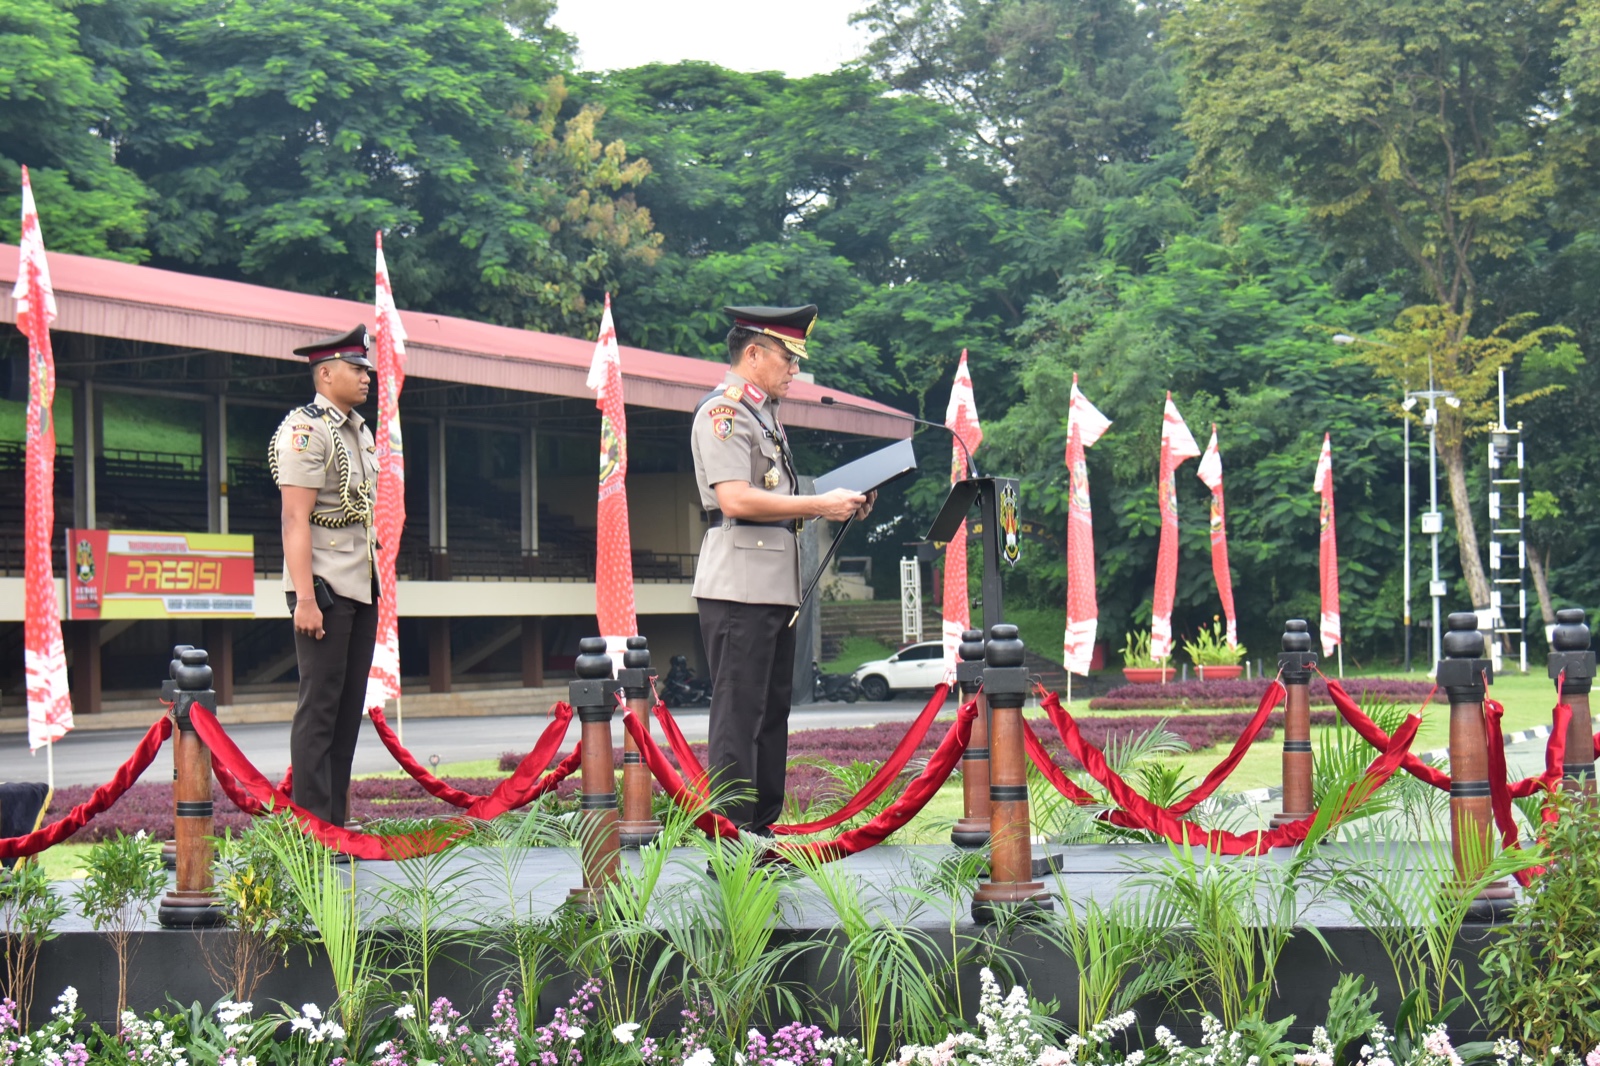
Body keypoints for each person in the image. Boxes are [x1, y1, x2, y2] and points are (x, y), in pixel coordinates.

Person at [690, 304, 872, 835]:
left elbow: (780, 498)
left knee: (772, 712)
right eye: (787, 358)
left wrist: (842, 502)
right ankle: (731, 837)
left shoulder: (764, 415)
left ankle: (761, 830)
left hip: (774, 583)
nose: (795, 370)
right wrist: (819, 506)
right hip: (740, 584)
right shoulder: (723, 412)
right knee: (738, 713)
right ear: (752, 353)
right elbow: (737, 500)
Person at [269, 324, 379, 827]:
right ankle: (313, 825)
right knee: (318, 710)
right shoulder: (306, 430)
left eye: (367, 370)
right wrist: (306, 597)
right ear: (327, 372)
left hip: (360, 582)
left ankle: (335, 818)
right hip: (325, 588)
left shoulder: (359, 429)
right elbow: (295, 519)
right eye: (357, 370)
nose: (366, 378)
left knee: (347, 708)